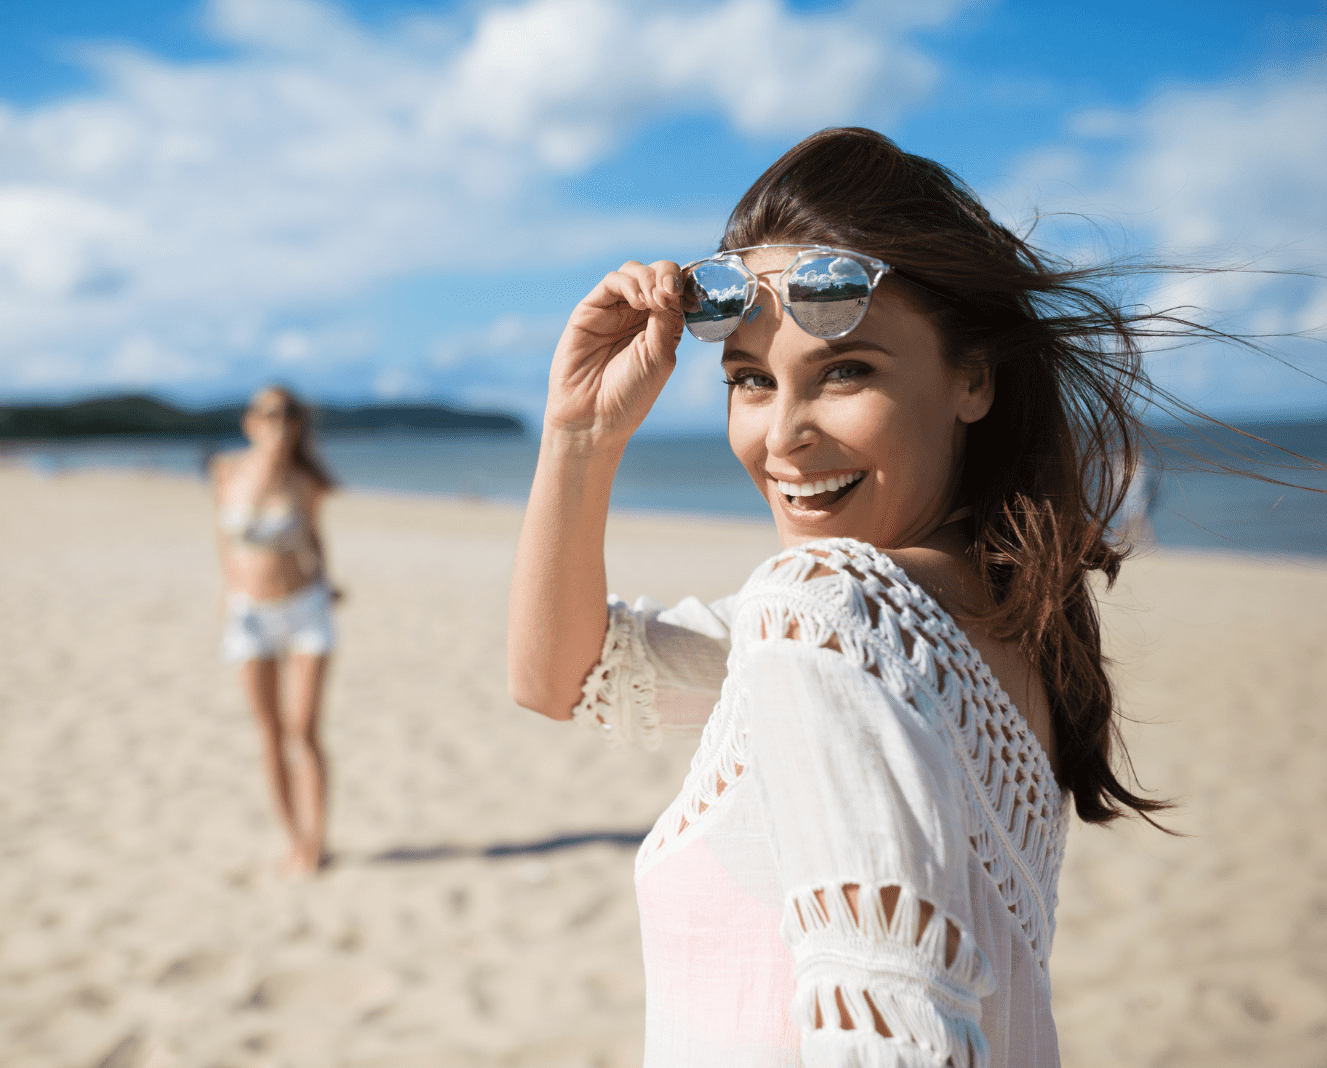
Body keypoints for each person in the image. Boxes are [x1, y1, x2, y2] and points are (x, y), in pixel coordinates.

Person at [507, 127, 1187, 1067]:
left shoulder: (825, 610)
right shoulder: (979, 616)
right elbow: (565, 676)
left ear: (973, 378)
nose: (782, 438)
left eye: (847, 371)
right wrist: (580, 431)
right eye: (749, 380)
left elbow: (897, 1039)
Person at [212, 385, 338, 877]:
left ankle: (318, 841)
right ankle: (294, 839)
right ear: (251, 422)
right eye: (268, 413)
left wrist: (328, 580)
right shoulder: (225, 471)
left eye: (287, 413)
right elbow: (222, 537)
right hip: (249, 614)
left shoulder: (304, 480)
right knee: (268, 734)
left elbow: (313, 536)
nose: (278, 422)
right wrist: (225, 588)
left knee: (302, 730)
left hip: (305, 609)